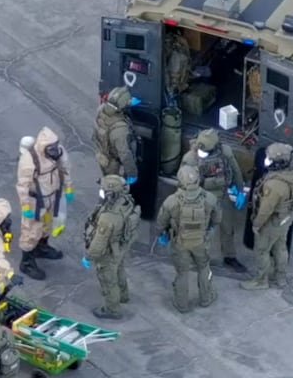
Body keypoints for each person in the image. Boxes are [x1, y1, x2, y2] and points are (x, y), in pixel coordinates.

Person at [242, 143, 293, 290]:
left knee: (261, 250)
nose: (267, 161)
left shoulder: (274, 185)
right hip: (287, 217)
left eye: (270, 159)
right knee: (281, 247)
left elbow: (265, 210)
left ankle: (261, 281)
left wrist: (257, 224)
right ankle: (280, 278)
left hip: (272, 222)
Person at [156, 165, 221, 312]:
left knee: (182, 272)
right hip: (201, 241)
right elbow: (217, 219)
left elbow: (161, 222)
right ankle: (206, 298)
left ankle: (182, 304)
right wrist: (208, 228)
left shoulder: (171, 201)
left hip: (180, 242)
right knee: (204, 268)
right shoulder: (209, 198)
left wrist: (162, 235)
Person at [182, 129, 248, 272]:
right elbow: (183, 182)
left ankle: (229, 256)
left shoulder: (225, 152)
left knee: (227, 227)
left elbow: (235, 171)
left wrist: (240, 190)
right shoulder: (190, 159)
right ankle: (196, 257)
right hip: (202, 199)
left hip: (221, 195)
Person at [16, 127, 74, 281]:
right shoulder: (30, 160)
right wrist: (26, 206)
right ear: (43, 147)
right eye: (51, 148)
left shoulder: (58, 153)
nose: (54, 151)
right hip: (36, 201)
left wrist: (68, 187)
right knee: (31, 230)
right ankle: (26, 262)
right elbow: (23, 186)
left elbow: (65, 169)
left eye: (55, 147)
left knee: (47, 225)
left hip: (53, 195)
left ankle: (41, 247)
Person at [81, 175, 141, 320]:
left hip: (109, 251)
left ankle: (112, 309)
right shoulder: (126, 202)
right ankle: (123, 295)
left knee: (108, 280)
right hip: (121, 246)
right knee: (119, 268)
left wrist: (89, 256)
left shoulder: (108, 217)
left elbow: (99, 242)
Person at [93, 87, 139, 183]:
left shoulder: (101, 109)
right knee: (114, 187)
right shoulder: (120, 129)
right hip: (112, 162)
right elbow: (125, 154)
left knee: (107, 179)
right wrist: (132, 173)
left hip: (102, 155)